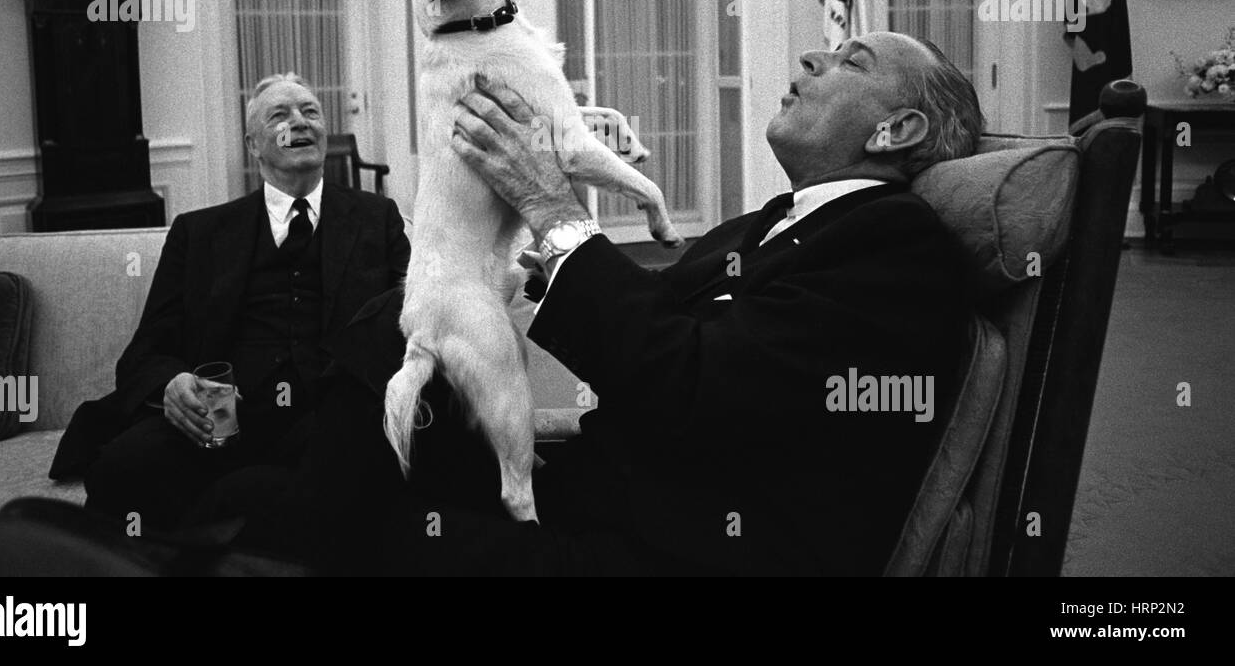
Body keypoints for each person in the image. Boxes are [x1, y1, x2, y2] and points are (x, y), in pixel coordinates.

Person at [231, 29, 983, 576]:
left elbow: (702, 388)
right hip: (604, 496)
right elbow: (658, 317)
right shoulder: (770, 223)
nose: (813, 58)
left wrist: (552, 206)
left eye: (852, 61)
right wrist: (517, 276)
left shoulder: (894, 246)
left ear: (898, 129)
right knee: (383, 349)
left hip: (669, 549)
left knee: (361, 529)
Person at [48, 73, 410, 532]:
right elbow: (147, 351)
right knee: (124, 466)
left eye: (310, 112)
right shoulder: (199, 234)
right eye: (280, 115)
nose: (299, 121)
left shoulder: (378, 219)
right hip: (221, 420)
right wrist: (173, 384)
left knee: (367, 466)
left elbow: (413, 319)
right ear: (254, 145)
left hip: (333, 421)